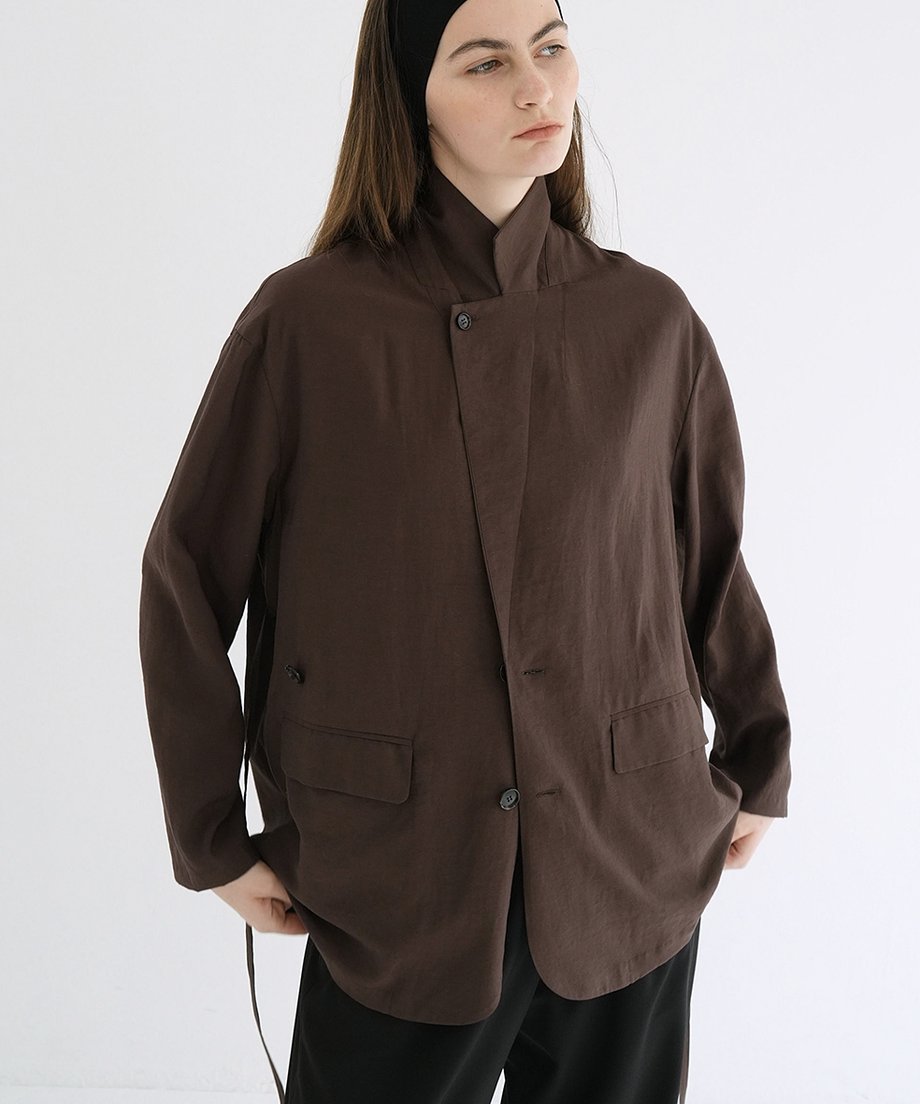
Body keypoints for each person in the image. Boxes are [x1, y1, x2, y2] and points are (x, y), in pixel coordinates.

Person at [138, 0, 793, 1101]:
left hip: (626, 851)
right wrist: (213, 835)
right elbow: (185, 579)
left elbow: (708, 561)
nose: (537, 88)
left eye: (550, 48)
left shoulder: (648, 320)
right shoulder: (308, 322)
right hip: (399, 875)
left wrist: (759, 753)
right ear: (413, 99)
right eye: (484, 63)